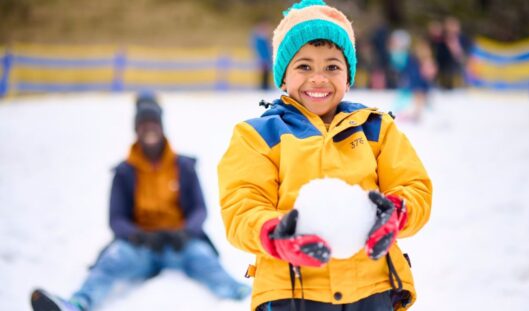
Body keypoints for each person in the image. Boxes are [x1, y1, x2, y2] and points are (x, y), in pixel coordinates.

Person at [217, 1, 432, 310]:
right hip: (292, 292)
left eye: (332, 66)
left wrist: (395, 212)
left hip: (373, 288)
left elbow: (415, 187)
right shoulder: (257, 136)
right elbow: (241, 207)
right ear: (282, 77)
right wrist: (277, 233)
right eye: (304, 66)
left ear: (348, 78)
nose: (318, 78)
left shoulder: (378, 128)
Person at [30, 93, 251, 311]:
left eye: (153, 123)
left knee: (206, 261)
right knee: (110, 262)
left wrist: (186, 232)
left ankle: (247, 296)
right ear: (136, 130)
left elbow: (199, 210)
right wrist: (136, 235)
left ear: (162, 127)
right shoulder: (124, 172)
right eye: (143, 124)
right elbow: (116, 218)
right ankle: (76, 304)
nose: (149, 128)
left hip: (180, 243)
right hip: (140, 245)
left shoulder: (183, 166)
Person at [251, 18, 273, 90]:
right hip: (263, 57)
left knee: (266, 72)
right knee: (263, 72)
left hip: (266, 57)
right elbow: (259, 49)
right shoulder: (259, 38)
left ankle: (265, 86)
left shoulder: (265, 38)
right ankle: (263, 87)